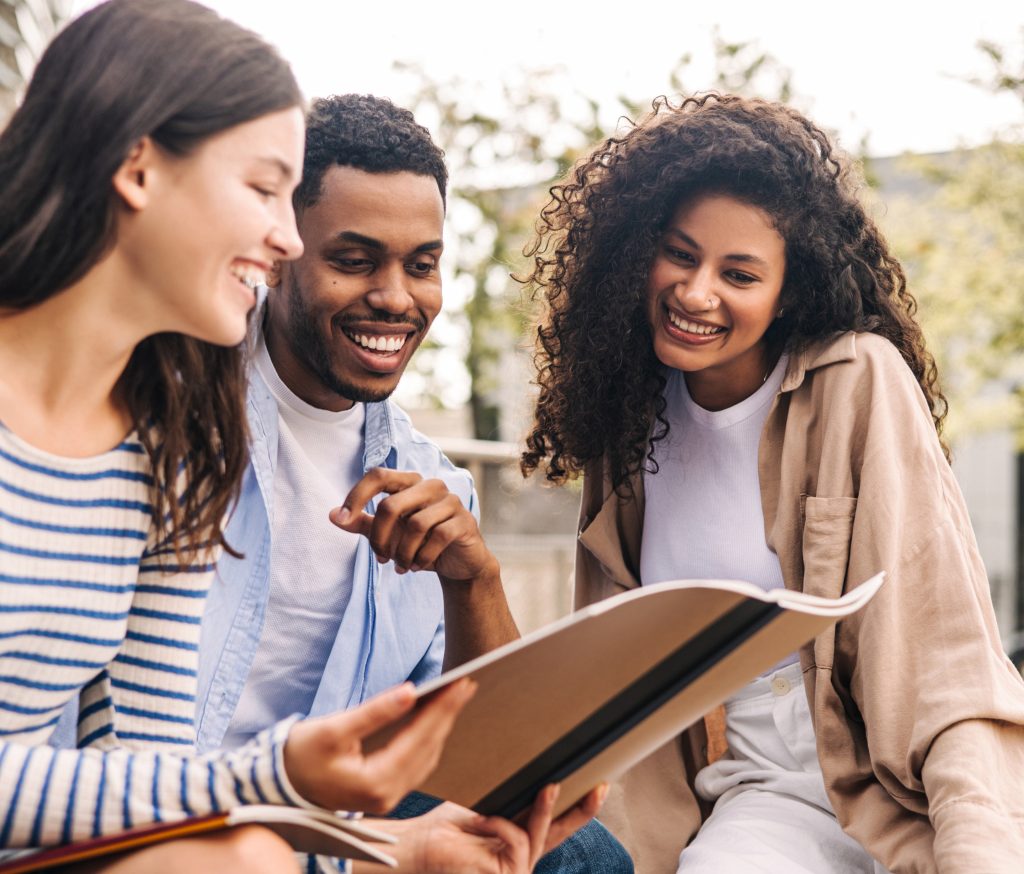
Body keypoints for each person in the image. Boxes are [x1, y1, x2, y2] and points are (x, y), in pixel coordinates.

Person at [0, 2, 485, 870]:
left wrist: (385, 848)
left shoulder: (175, 441)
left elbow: (145, 772)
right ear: (138, 168)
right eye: (263, 189)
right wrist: (278, 778)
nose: (286, 236)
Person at [520, 93, 1024, 873]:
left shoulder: (854, 380)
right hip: (728, 782)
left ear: (788, 291)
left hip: (868, 769)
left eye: (739, 273)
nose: (696, 292)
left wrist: (980, 851)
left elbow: (945, 652)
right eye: (680, 254)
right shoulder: (628, 413)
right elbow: (612, 681)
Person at [194, 92, 632, 873]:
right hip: (176, 810)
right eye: (354, 260)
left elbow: (502, 761)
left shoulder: (433, 486)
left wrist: (476, 582)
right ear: (280, 250)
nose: (397, 298)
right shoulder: (180, 401)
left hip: (337, 817)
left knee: (582, 854)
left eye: (421, 266)